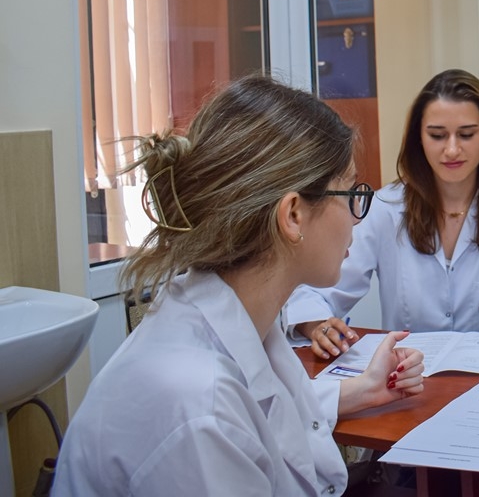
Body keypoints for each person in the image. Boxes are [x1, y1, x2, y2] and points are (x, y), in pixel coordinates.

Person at [52, 75, 425, 496]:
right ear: (293, 215)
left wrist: (364, 390)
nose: (358, 217)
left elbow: (270, 410)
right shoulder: (199, 407)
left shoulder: (232, 312)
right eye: (350, 192)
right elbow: (234, 416)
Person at [286, 68, 479, 359]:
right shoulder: (386, 208)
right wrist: (317, 325)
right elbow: (314, 294)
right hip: (410, 373)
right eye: (437, 135)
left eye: (466, 134)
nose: (452, 149)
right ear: (419, 138)